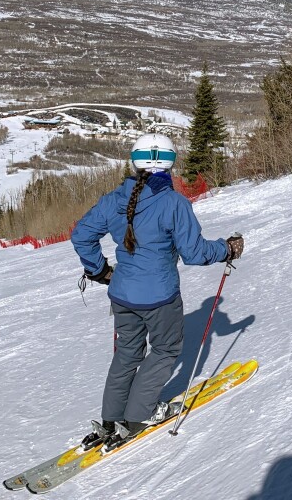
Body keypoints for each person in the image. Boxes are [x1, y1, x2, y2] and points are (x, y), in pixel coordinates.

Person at [71, 132, 244, 450]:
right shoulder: (173, 203)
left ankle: (111, 419)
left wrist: (99, 271)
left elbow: (82, 235)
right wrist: (226, 249)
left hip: (121, 294)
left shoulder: (113, 200)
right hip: (160, 297)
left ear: (134, 162)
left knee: (127, 353)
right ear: (170, 164)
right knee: (165, 350)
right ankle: (140, 414)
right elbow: (194, 253)